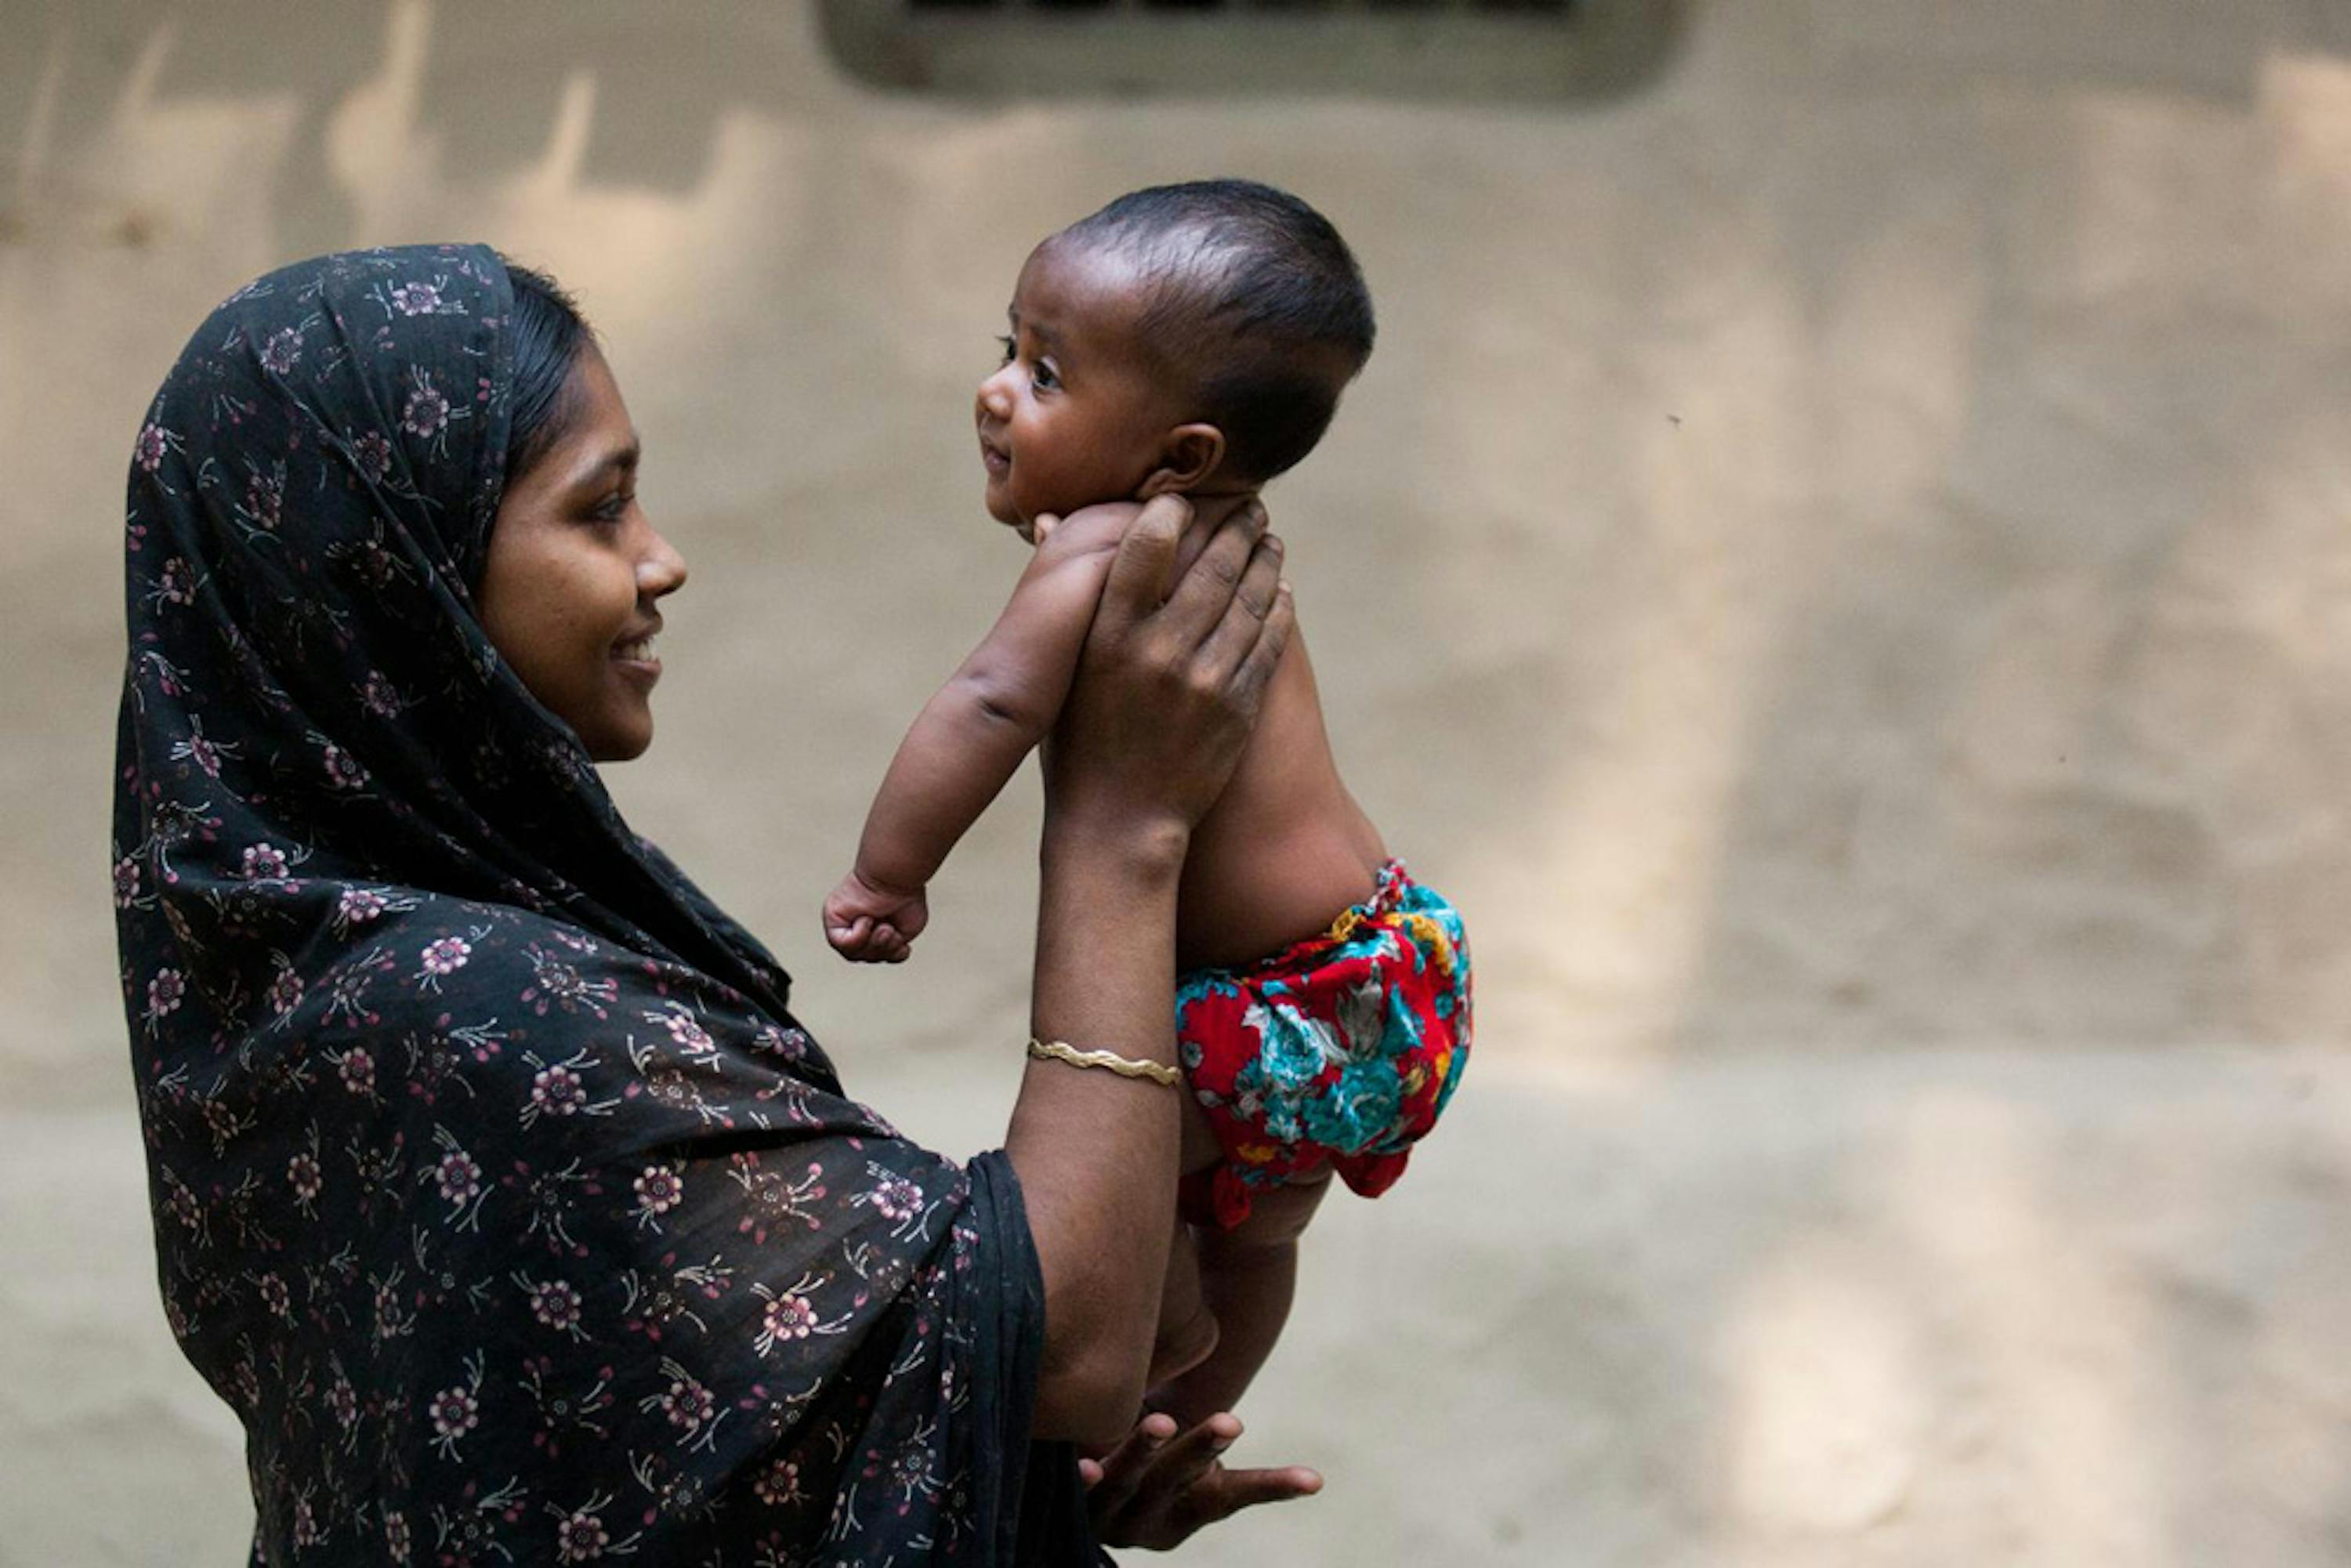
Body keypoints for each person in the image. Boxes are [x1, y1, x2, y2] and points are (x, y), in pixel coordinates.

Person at [114, 242, 1319, 1564]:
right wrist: (1124, 824)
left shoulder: (322, 969)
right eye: (599, 509)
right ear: (391, 571)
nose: (661, 559)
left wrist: (1004, 1475)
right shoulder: (486, 1010)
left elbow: (619, 1461)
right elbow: (1073, 1352)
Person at [822, 181, 1473, 1432]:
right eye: (1006, 348)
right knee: (1259, 1231)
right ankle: (1197, 1410)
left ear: (1181, 454)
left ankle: (1144, 1391)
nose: (998, 390)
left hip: (1272, 1008)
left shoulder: (1108, 551)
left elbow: (987, 707)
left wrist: (889, 872)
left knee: (1124, 1207)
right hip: (1389, 968)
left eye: (1048, 373)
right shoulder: (1232, 544)